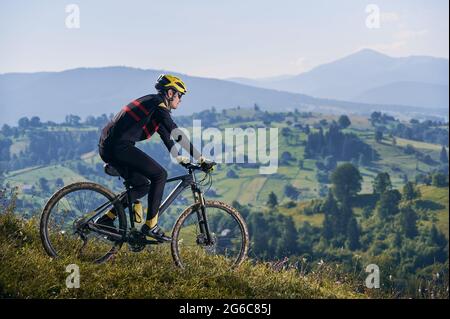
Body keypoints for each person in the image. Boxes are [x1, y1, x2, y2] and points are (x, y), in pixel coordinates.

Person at [97, 74, 207, 242]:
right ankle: (151, 225)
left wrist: (180, 158)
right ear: (170, 93)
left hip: (110, 146)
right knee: (160, 175)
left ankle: (106, 219)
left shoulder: (154, 106)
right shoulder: (158, 104)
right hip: (119, 147)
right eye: (179, 95)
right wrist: (200, 158)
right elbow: (175, 132)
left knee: (142, 185)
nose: (180, 100)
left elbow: (166, 135)